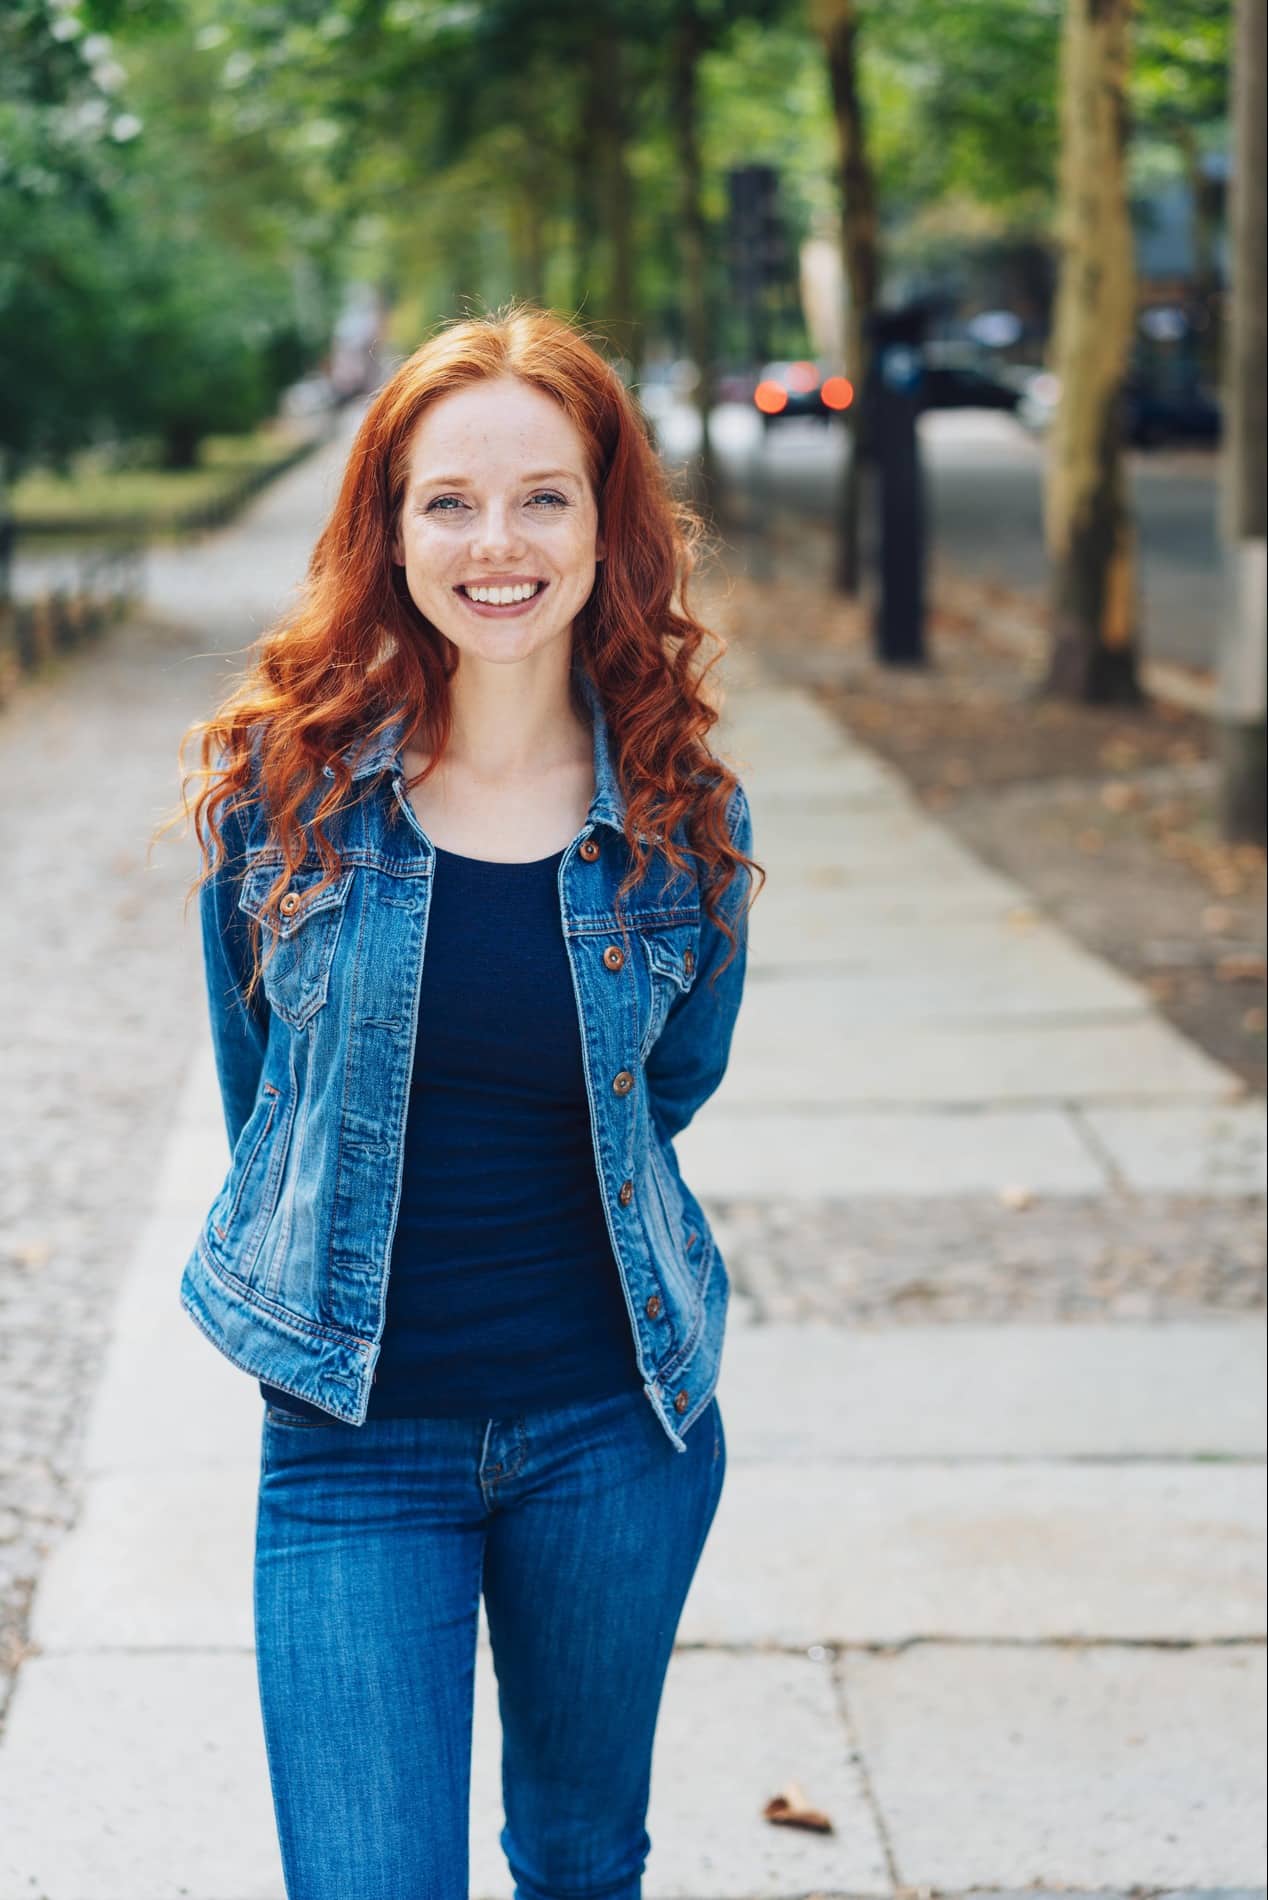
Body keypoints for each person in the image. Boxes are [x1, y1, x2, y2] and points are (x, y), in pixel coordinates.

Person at [170, 302, 761, 1900]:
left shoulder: (685, 816)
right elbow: (268, 1110)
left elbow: (670, 1086)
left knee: (580, 1859)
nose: (497, 543)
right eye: (450, 500)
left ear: (605, 524)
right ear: (391, 529)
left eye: (542, 496)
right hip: (351, 1444)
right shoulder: (280, 796)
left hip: (614, 1432)